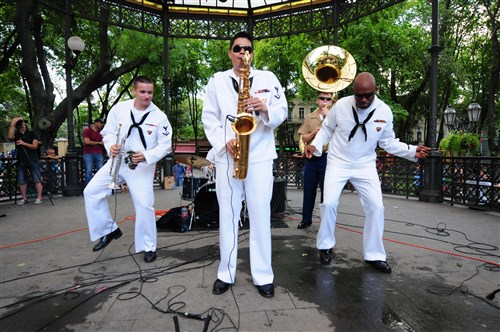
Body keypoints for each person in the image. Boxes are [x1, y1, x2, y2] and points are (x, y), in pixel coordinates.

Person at [304, 72, 430, 273]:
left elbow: (388, 142)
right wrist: (315, 145)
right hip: (338, 162)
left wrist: (412, 150)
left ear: (375, 91)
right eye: (359, 95)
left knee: (376, 207)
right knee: (328, 203)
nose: (363, 100)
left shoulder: (385, 111)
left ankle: (374, 255)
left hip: (365, 164)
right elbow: (327, 129)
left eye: (368, 95)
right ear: (353, 93)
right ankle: (325, 246)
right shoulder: (341, 106)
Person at [202, 31, 288, 298]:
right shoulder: (216, 81)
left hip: (260, 156)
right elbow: (209, 118)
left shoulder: (268, 78)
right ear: (230, 53)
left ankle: (263, 275)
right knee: (227, 215)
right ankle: (225, 273)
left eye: (247, 49)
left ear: (252, 53)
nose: (242, 53)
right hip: (229, 155)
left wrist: (263, 108)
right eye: (237, 48)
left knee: (261, 215)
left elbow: (282, 111)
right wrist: (222, 142)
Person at [84, 76, 172, 263]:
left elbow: (165, 146)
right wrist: (110, 146)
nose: (147, 96)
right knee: (91, 192)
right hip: (117, 161)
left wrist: (147, 156)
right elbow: (107, 133)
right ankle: (109, 230)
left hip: (141, 166)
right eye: (142, 92)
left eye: (150, 92)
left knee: (144, 206)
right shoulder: (120, 109)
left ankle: (148, 246)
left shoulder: (160, 117)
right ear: (134, 91)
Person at [296, 91, 335, 229]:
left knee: (327, 193)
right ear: (317, 100)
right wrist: (314, 133)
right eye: (322, 98)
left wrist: (328, 118)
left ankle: (326, 222)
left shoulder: (336, 116)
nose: (325, 101)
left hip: (329, 158)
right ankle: (306, 219)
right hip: (312, 158)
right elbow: (303, 139)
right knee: (309, 190)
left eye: (328, 99)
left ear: (332, 101)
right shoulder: (309, 117)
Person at [7, 117, 43, 205]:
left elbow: (35, 146)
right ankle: (24, 198)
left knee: (37, 179)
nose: (22, 124)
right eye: (20, 123)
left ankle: (39, 197)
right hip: (21, 159)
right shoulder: (17, 134)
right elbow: (10, 137)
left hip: (33, 159)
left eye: (23, 122)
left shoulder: (32, 133)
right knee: (21, 180)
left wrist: (24, 143)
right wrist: (12, 124)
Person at [83, 118, 105, 187]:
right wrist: (98, 143)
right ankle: (89, 188)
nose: (102, 124)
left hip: (99, 153)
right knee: (88, 172)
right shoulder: (87, 131)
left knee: (100, 171)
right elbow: (87, 141)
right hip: (88, 153)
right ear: (96, 123)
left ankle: (99, 187)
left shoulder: (101, 132)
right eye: (100, 123)